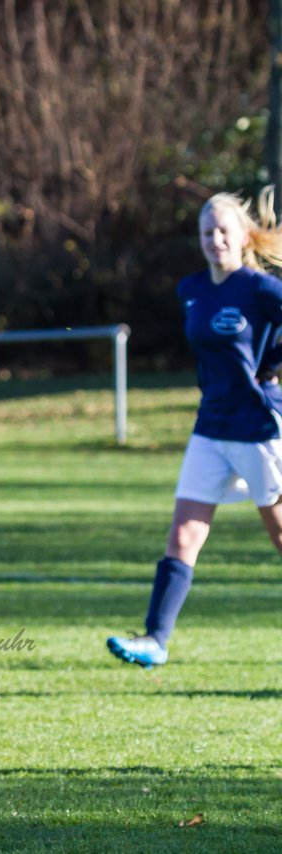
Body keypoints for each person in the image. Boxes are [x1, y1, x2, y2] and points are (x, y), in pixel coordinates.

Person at [108, 188, 282, 668]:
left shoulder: (262, 289)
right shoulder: (192, 290)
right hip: (210, 429)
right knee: (183, 534)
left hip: (256, 426)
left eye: (223, 230)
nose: (215, 239)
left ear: (243, 235)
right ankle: (155, 640)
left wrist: (270, 364)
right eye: (207, 232)